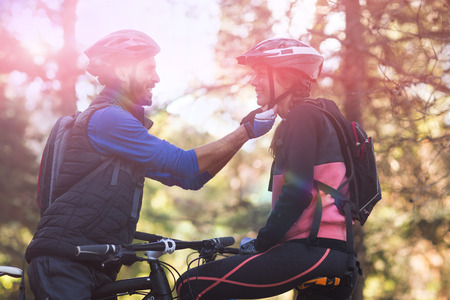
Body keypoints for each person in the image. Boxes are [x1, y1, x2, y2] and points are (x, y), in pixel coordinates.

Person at [24, 29, 276, 300]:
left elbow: (191, 178)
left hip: (94, 264)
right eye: (149, 69)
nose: (156, 78)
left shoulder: (121, 128)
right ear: (122, 73)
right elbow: (185, 163)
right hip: (65, 263)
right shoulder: (108, 119)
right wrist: (246, 131)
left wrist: (243, 135)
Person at [176, 38, 359, 300]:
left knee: (192, 284)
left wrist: (262, 243)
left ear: (285, 77)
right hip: (332, 256)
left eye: (261, 73)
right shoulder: (316, 115)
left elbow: (298, 192)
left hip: (313, 251)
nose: (254, 82)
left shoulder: (302, 116)